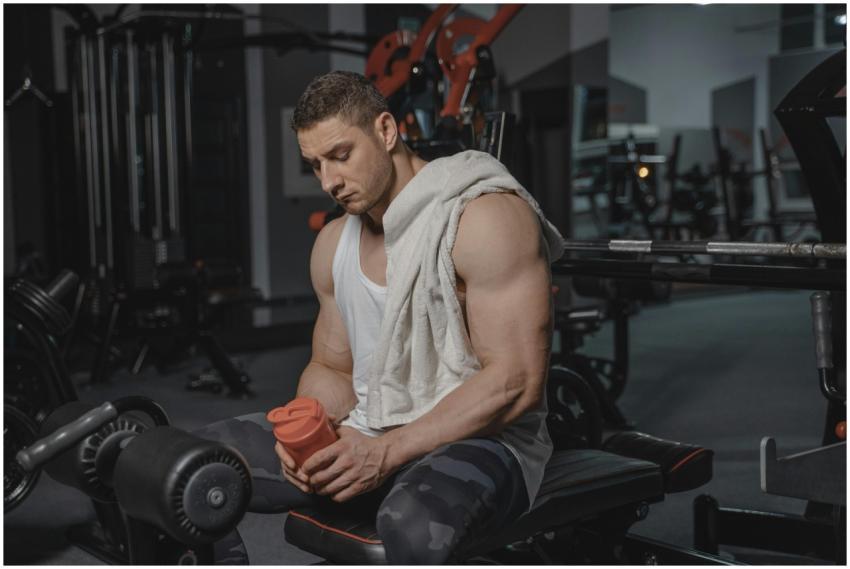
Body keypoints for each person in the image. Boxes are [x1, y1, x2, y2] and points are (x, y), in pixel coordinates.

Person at [196, 71, 565, 564]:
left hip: (481, 440)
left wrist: (386, 453)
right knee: (188, 468)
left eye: (341, 156)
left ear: (386, 131)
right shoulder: (332, 244)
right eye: (315, 165)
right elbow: (332, 368)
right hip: (367, 429)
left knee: (412, 524)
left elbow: (514, 382)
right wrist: (307, 432)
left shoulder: (484, 218)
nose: (329, 182)